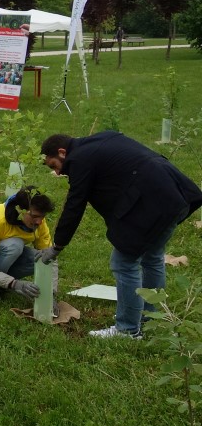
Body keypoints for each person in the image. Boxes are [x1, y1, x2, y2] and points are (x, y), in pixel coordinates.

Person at [40, 132, 202, 338]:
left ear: (62, 152)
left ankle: (127, 329)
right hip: (175, 194)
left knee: (124, 263)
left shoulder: (79, 158)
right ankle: (151, 319)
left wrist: (58, 245)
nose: (58, 172)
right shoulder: (99, 141)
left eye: (54, 165)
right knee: (152, 257)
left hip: (154, 202)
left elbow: (75, 204)